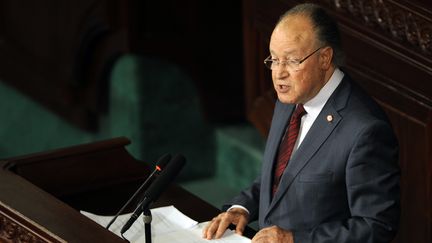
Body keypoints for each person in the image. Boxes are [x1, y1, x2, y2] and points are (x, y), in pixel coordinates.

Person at [202, 3, 400, 243]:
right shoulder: (289, 99)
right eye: (274, 59)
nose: (279, 73)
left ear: (325, 58)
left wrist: (294, 239)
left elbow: (376, 227)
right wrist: (240, 209)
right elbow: (279, 178)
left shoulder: (365, 130)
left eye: (292, 61)